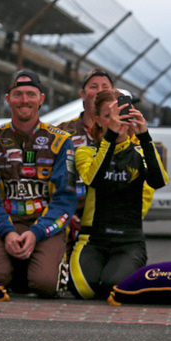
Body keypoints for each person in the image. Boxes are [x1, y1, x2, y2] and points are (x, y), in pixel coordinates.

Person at [0, 70, 76, 298]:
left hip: (45, 224)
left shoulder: (61, 141)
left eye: (31, 94)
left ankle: (33, 267)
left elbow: (65, 199)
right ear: (8, 99)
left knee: (45, 284)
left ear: (41, 99)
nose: (24, 100)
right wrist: (6, 232)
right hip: (6, 223)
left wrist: (37, 232)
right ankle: (15, 267)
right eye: (18, 94)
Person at [70, 89, 168, 299]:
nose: (116, 120)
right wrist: (110, 136)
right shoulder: (86, 152)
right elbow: (94, 179)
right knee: (84, 290)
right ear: (97, 120)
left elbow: (158, 181)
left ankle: (127, 266)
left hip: (129, 241)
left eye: (120, 114)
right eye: (108, 115)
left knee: (113, 287)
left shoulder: (141, 152)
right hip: (92, 239)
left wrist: (144, 136)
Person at [56, 68, 114, 250]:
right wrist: (62, 213)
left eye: (105, 87)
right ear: (82, 94)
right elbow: (47, 176)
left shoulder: (124, 132)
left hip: (109, 218)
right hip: (68, 215)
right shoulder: (62, 132)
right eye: (93, 86)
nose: (99, 91)